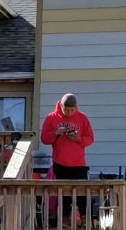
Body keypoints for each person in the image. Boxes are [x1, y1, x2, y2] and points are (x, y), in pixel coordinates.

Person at [40, 93, 94, 221]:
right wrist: (56, 133)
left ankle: (85, 220)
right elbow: (44, 139)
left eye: (72, 110)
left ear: (76, 107)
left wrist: (79, 138)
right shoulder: (51, 118)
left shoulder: (82, 118)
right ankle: (64, 219)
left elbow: (90, 138)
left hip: (79, 163)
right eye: (66, 110)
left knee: (82, 193)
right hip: (60, 162)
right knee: (63, 193)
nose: (69, 113)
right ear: (61, 106)